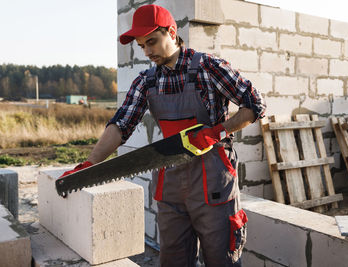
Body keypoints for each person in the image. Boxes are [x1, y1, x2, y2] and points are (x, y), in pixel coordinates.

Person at [61, 4, 266, 267]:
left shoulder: (208, 67)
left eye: (152, 42)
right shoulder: (146, 81)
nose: (147, 51)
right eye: (141, 45)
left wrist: (216, 132)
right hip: (170, 185)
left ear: (171, 32)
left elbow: (254, 104)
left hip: (213, 183)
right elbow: (121, 125)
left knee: (221, 260)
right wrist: (89, 166)